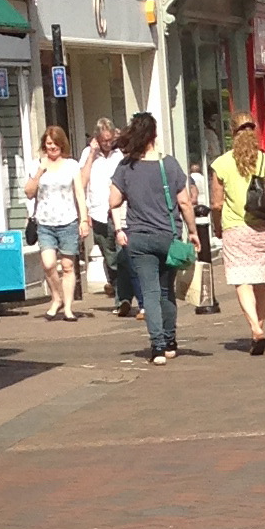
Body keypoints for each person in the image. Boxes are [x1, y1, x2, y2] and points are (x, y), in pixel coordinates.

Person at [115, 111, 193, 362]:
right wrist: (193, 231)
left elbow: (113, 200)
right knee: (165, 291)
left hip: (138, 237)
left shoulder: (126, 166)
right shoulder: (168, 164)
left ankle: (157, 346)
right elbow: (185, 201)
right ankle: (170, 341)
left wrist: (120, 226)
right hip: (167, 236)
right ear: (155, 135)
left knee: (148, 293)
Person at [211, 112, 265, 355]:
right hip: (263, 229)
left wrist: (217, 226)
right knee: (260, 282)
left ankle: (255, 327)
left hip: (235, 229)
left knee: (241, 281)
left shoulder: (221, 164)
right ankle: (260, 327)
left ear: (232, 134)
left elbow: (216, 204)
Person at [21, 122, 86, 318]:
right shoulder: (37, 165)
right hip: (45, 222)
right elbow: (29, 192)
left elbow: (79, 194)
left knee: (67, 266)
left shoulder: (71, 165)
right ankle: (56, 297)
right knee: (48, 264)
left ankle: (67, 307)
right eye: (48, 143)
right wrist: (40, 171)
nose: (52, 147)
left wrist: (84, 220)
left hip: (68, 221)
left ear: (62, 144)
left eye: (55, 143)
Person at [82, 118, 128, 315]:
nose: (108, 144)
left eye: (110, 140)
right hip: (98, 213)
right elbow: (82, 182)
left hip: (121, 213)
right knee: (111, 259)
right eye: (104, 140)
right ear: (97, 138)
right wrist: (92, 153)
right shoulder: (88, 153)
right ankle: (119, 293)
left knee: (124, 256)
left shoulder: (121, 154)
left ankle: (123, 299)